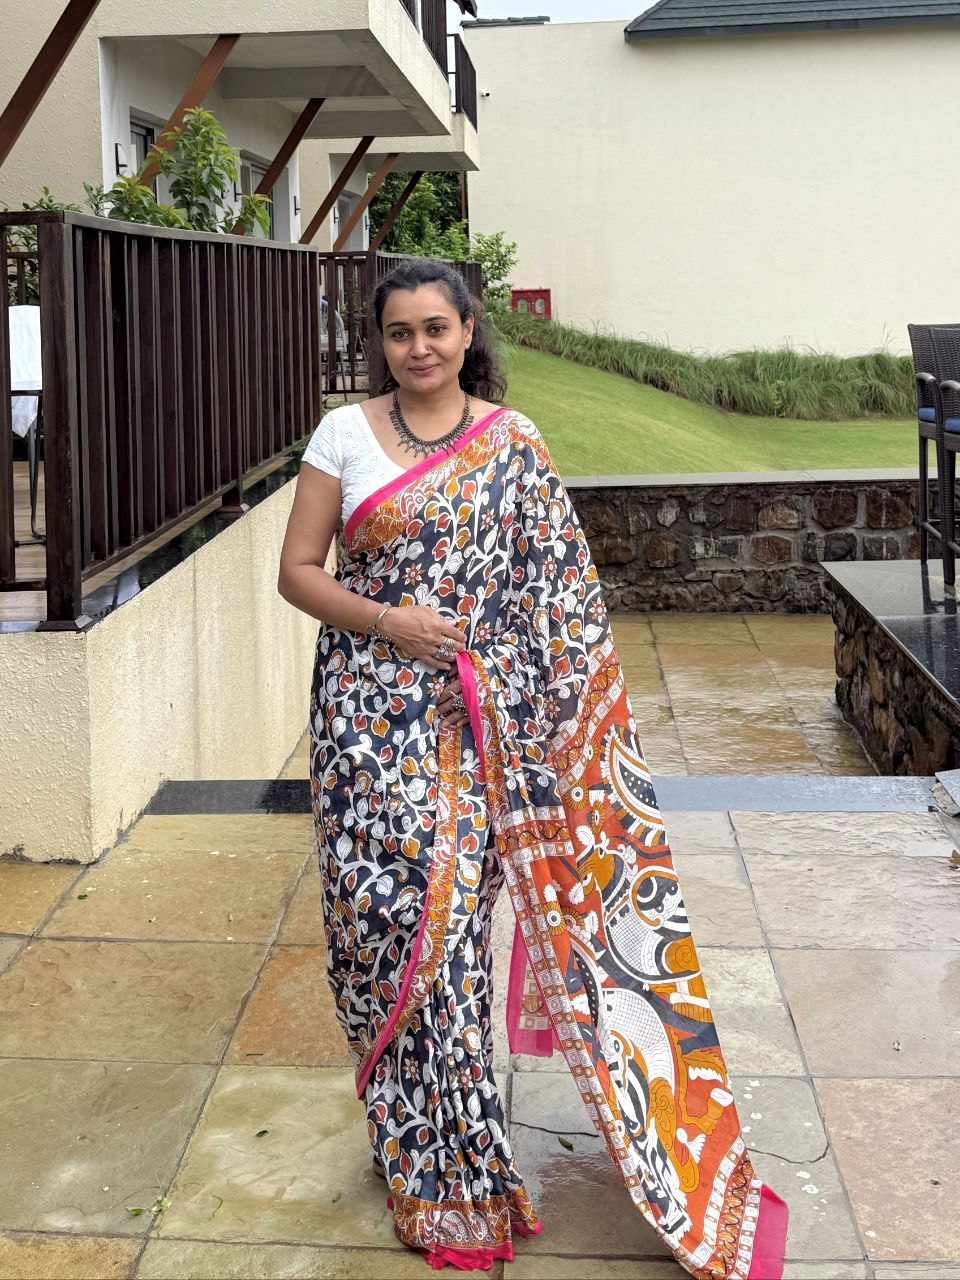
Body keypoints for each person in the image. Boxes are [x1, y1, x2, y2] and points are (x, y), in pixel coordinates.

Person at [277, 259, 788, 1277]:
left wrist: (507, 689)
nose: (418, 347)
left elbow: (561, 608)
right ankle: (408, 1137)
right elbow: (297, 572)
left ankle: (461, 1170)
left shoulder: (513, 445)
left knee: (451, 940)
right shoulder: (342, 434)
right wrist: (391, 620)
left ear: (469, 331)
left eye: (435, 327)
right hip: (362, 725)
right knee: (377, 935)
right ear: (380, 343)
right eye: (398, 332)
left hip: (478, 731)